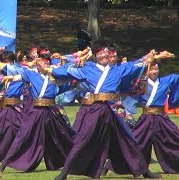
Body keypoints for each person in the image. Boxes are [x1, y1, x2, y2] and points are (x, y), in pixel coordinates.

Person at [50, 42, 173, 179]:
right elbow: (65, 70)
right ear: (96, 56)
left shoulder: (117, 70)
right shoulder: (88, 68)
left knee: (128, 139)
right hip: (95, 109)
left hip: (111, 110)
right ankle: (64, 173)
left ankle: (144, 172)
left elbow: (136, 65)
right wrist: (52, 69)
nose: (103, 55)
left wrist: (153, 57)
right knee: (83, 140)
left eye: (105, 52)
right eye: (100, 53)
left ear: (109, 54)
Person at [0, 55, 77, 173]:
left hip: (50, 111)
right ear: (38, 66)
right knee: (23, 136)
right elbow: (18, 76)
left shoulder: (55, 77)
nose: (45, 65)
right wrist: (9, 78)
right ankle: (3, 165)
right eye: (43, 63)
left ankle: (71, 161)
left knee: (61, 135)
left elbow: (69, 77)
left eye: (47, 63)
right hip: (35, 110)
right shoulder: (31, 74)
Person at [131, 61, 179, 174]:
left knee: (174, 138)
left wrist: (173, 100)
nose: (154, 72)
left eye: (156, 69)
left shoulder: (165, 81)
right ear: (147, 71)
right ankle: (109, 166)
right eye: (151, 69)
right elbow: (129, 92)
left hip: (161, 117)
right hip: (146, 118)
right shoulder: (141, 83)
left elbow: (177, 78)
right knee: (135, 142)